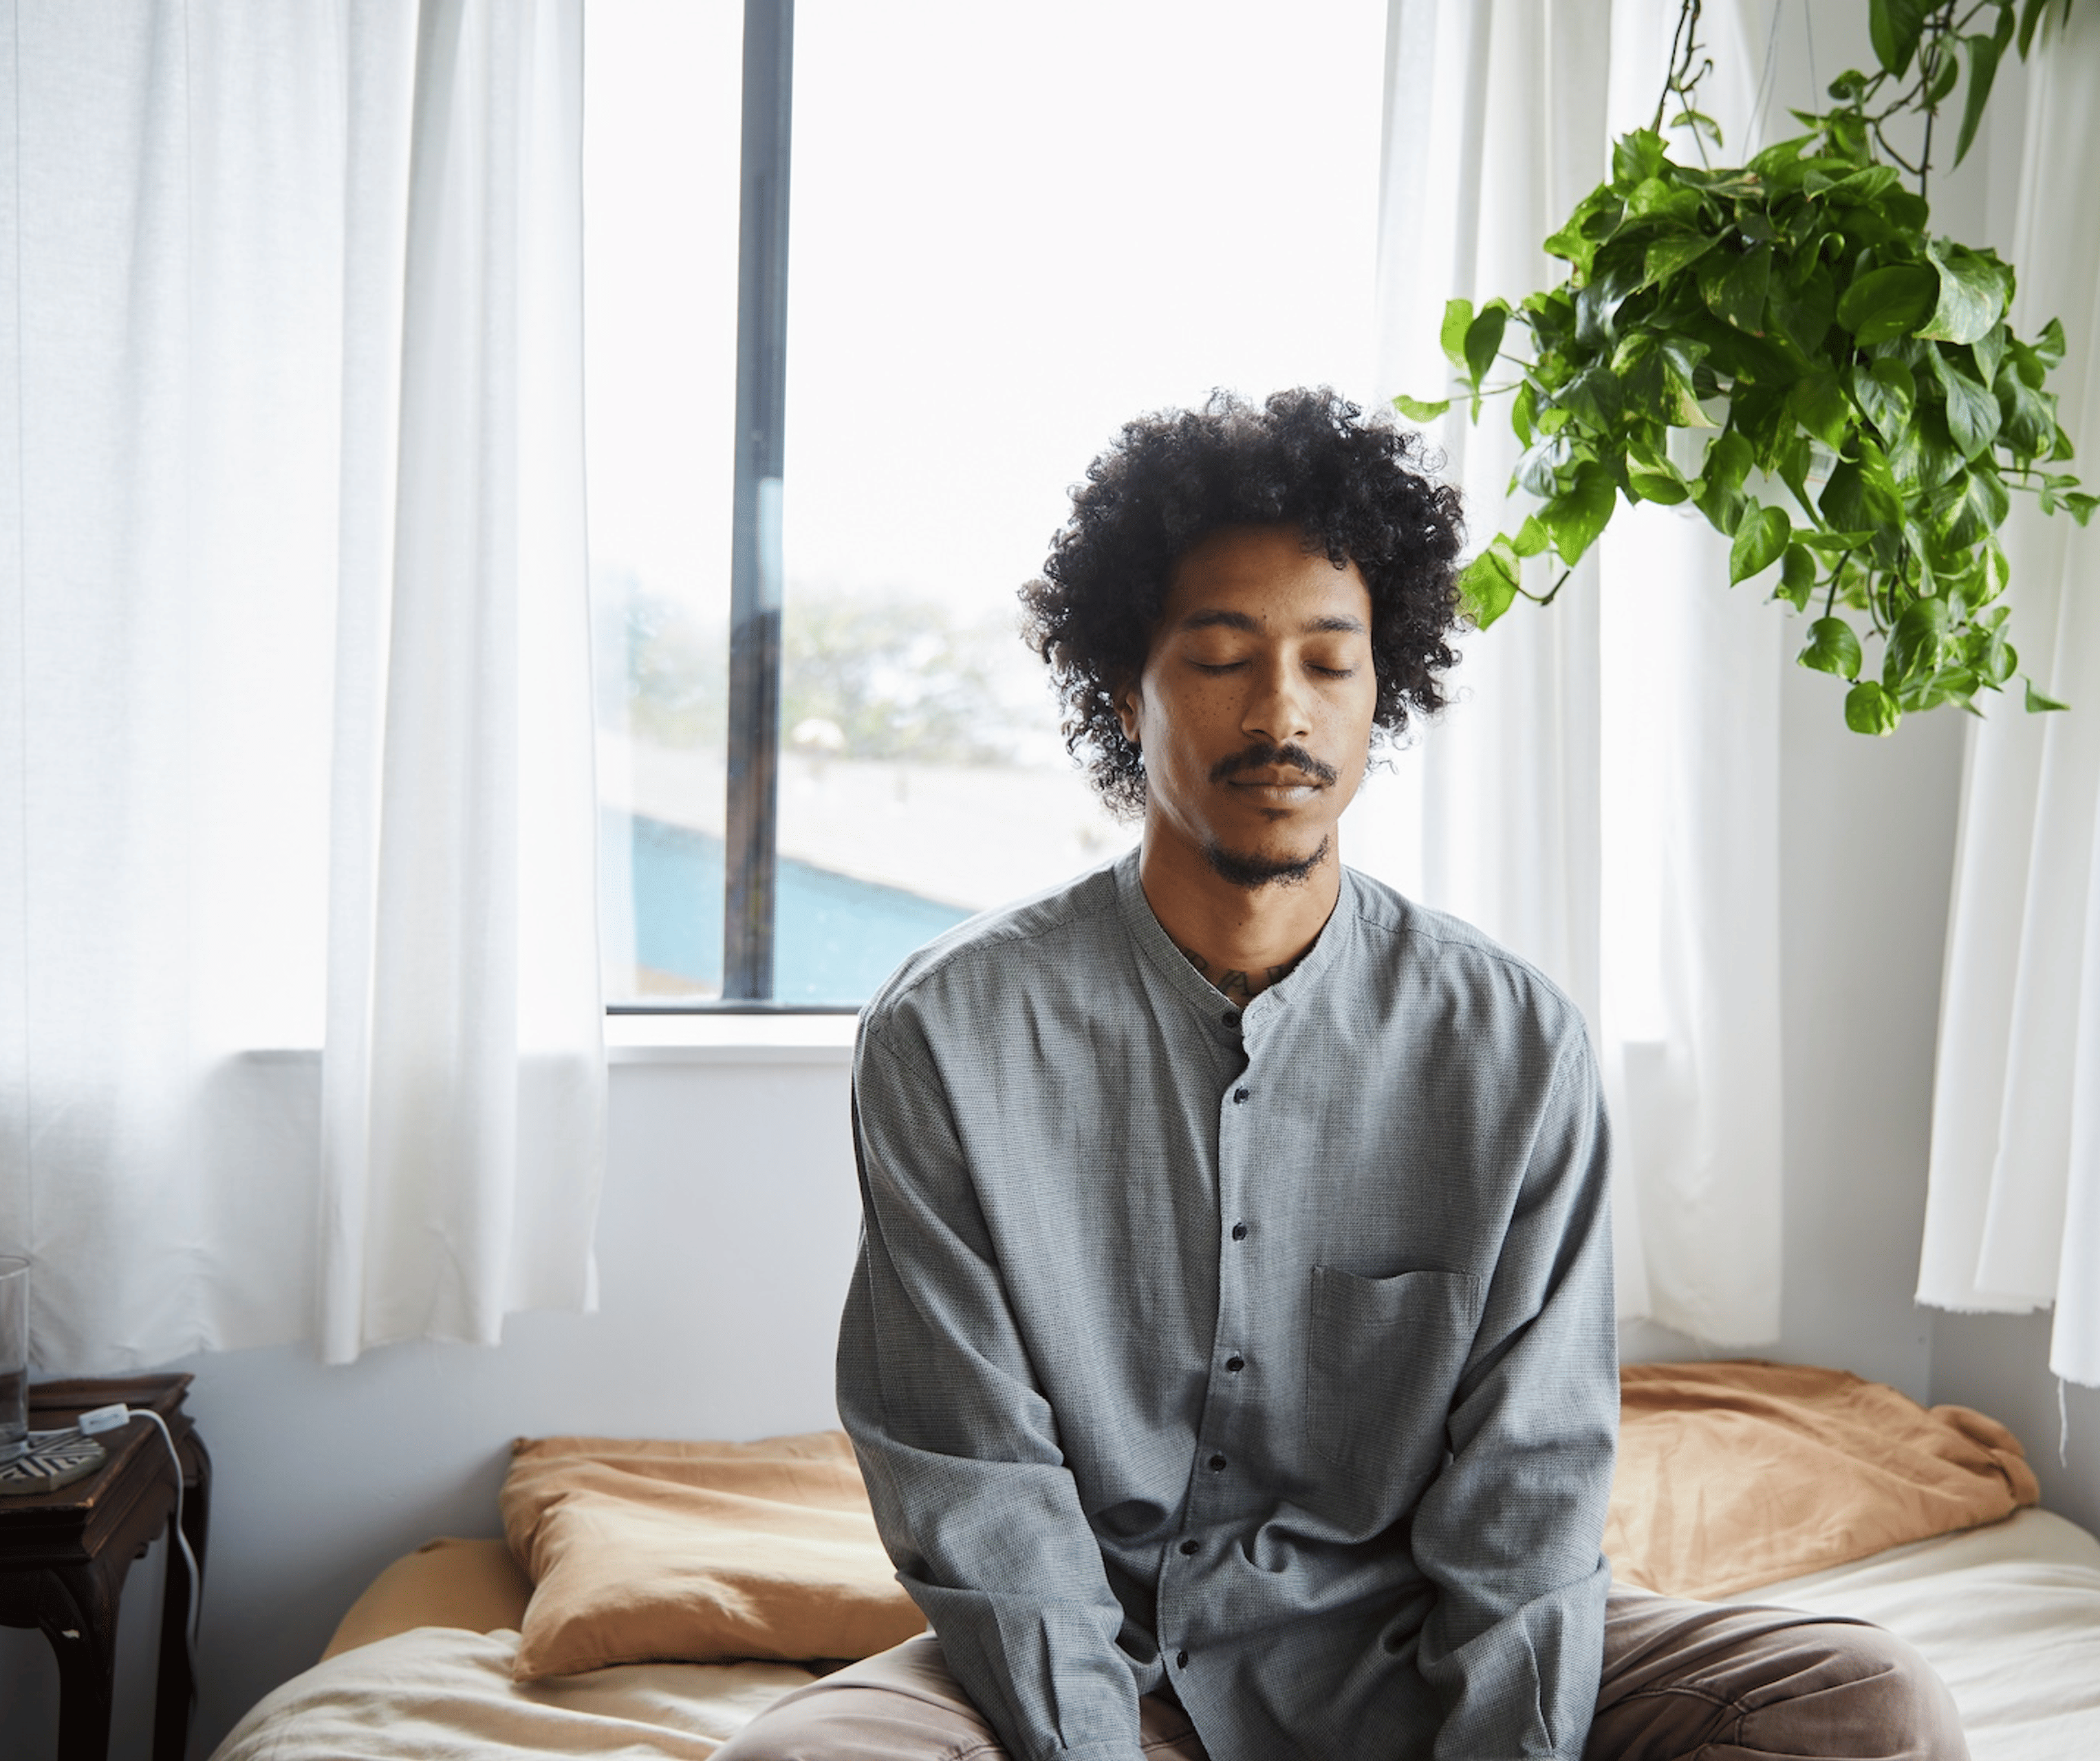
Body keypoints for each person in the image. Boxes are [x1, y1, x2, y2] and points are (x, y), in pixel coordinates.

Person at [713, 389, 1967, 1761]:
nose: (1281, 711)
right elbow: (976, 1481)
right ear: (1124, 689)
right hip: (1100, 1663)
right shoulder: (950, 1033)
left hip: (1421, 1651)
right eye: (1220, 657)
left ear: (1386, 691)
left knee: (1867, 1700)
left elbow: (1529, 1492)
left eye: (1330, 661)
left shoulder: (1514, 1045)